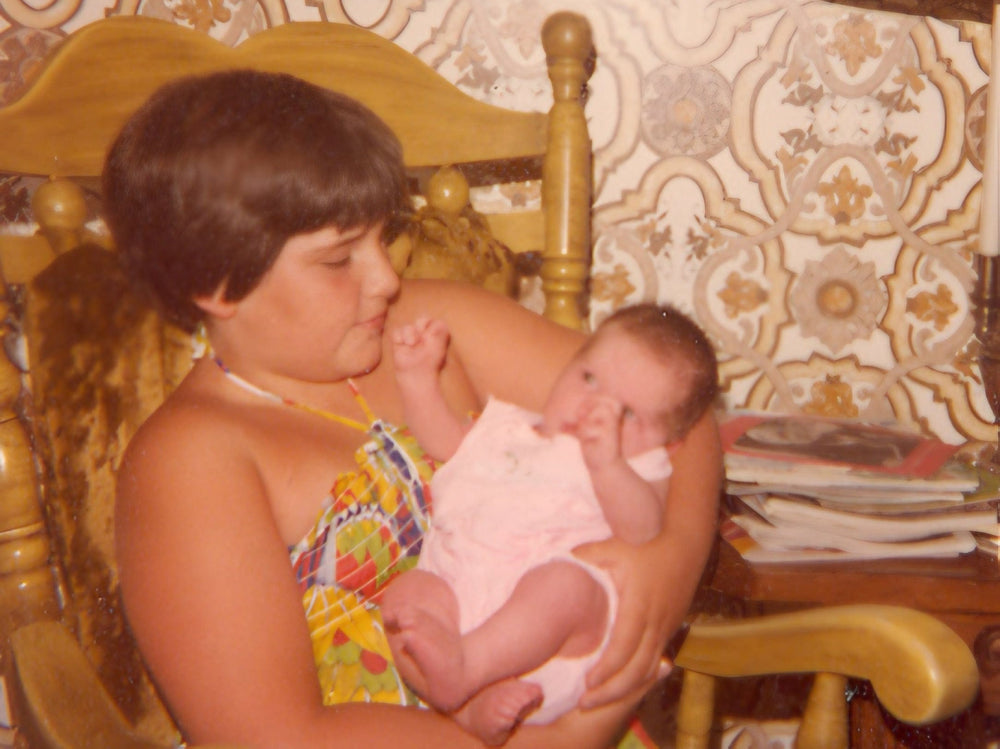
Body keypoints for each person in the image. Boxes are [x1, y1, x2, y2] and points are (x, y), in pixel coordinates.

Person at [106, 68, 723, 748]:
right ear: (214, 282)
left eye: (382, 237)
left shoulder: (433, 324)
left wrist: (673, 558)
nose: (387, 277)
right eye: (340, 258)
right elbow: (275, 735)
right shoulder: (191, 463)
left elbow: (674, 412)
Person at [382, 304, 718, 744]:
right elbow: (444, 440)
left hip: (550, 642)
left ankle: (467, 667)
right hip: (457, 602)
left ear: (667, 445)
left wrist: (608, 466)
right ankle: (465, 706)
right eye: (589, 379)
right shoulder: (509, 429)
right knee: (405, 599)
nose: (594, 409)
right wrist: (418, 379)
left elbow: (643, 528)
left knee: (563, 587)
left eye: (627, 414)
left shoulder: (638, 467)